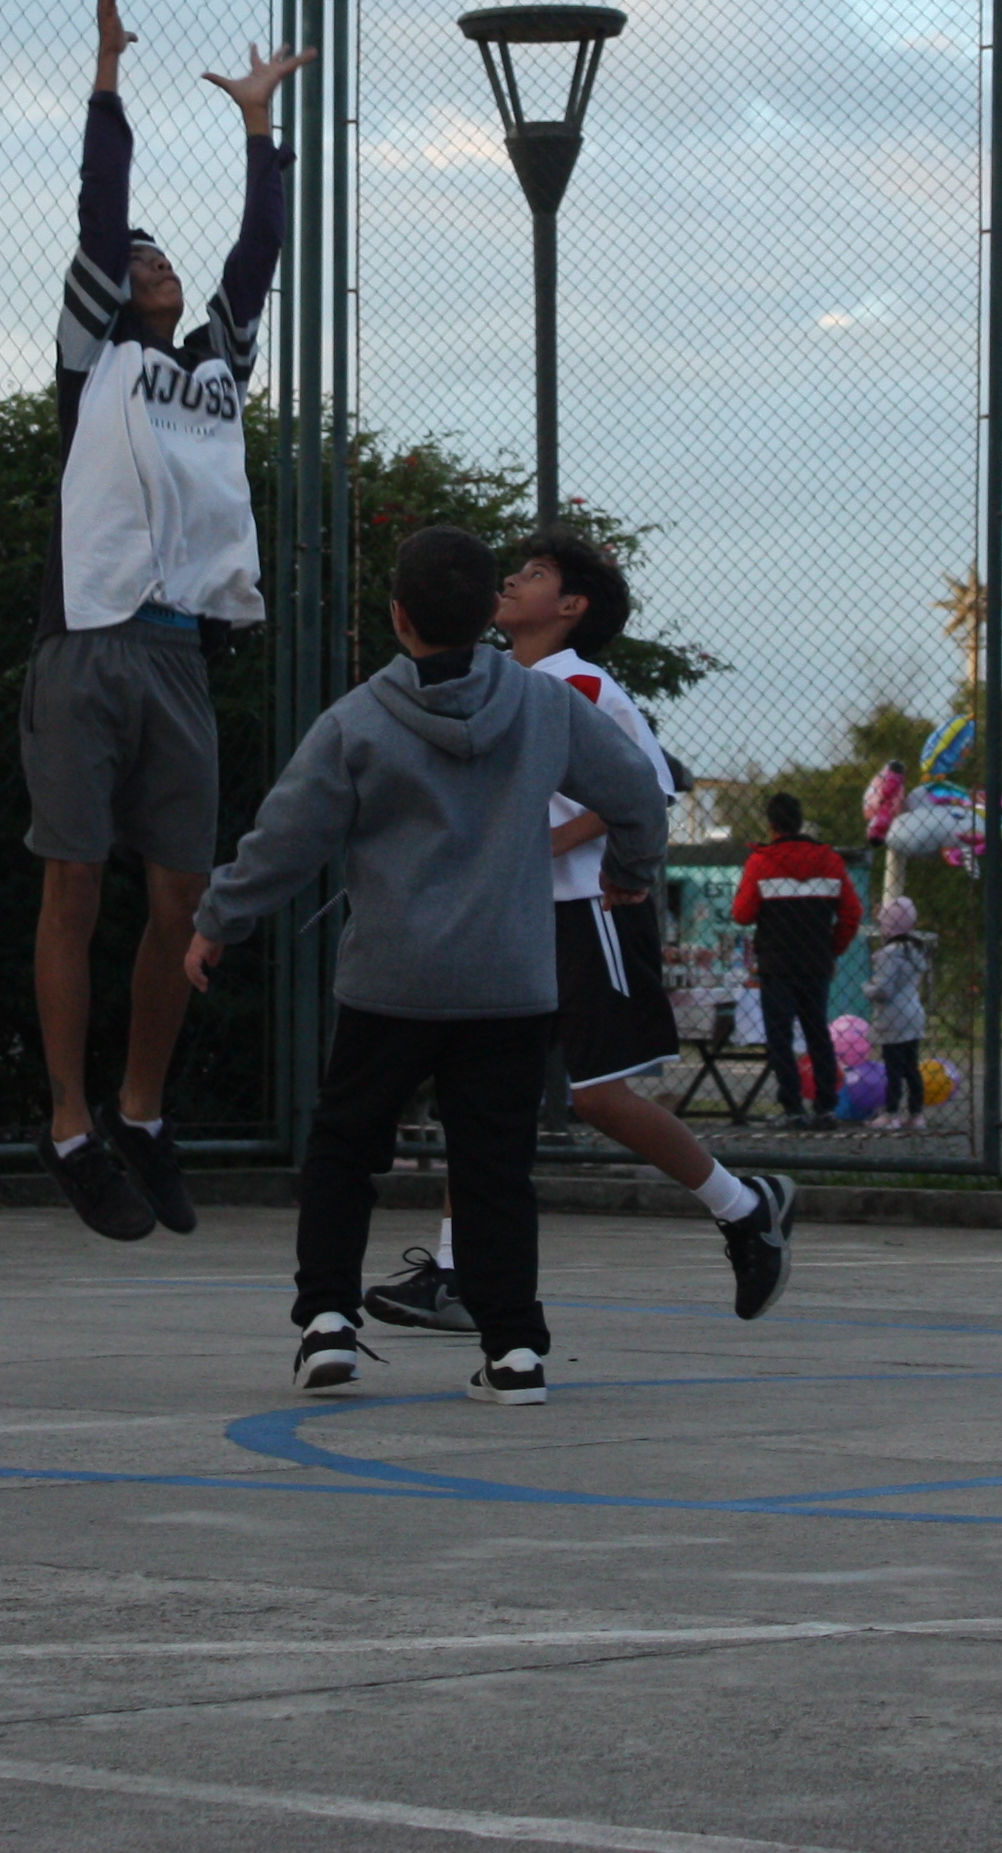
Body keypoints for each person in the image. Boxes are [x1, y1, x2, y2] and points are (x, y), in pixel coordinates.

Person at [184, 524, 673, 1405]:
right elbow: (638, 792)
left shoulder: (359, 719)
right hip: (510, 983)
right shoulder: (545, 707)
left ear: (400, 617)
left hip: (392, 984)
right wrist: (629, 873)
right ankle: (515, 1350)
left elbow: (287, 838)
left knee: (344, 1149)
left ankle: (329, 1321)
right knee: (494, 1166)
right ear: (490, 611)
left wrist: (223, 917)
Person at [26, 0, 309, 1243]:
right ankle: (71, 1121)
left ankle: (143, 1110)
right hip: (87, 647)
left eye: (159, 257)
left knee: (181, 899)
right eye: (134, 256)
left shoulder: (212, 364)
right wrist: (108, 72)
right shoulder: (96, 361)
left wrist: (259, 128)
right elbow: (100, 210)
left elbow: (259, 250)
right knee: (74, 889)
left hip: (182, 650)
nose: (149, 260)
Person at [365, 530, 797, 1332]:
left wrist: (542, 844)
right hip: (517, 918)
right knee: (480, 1092)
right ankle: (458, 1273)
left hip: (590, 909)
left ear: (570, 608)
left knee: (599, 1097)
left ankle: (744, 1205)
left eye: (531, 575)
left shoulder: (579, 682)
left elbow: (649, 787)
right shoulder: (497, 685)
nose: (512, 582)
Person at [732, 791, 865, 1126]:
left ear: (771, 824)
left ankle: (792, 1107)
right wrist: (832, 948)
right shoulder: (829, 860)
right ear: (800, 821)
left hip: (776, 964)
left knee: (780, 1036)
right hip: (815, 962)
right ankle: (826, 1106)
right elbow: (852, 913)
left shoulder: (761, 862)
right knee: (817, 1032)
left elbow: (742, 914)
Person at [867, 895, 933, 1135]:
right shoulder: (915, 948)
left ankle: (891, 1112)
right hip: (914, 1011)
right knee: (910, 1067)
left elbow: (884, 989)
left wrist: (867, 988)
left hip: (893, 1015)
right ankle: (916, 1113)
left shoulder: (890, 953)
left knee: (893, 1067)